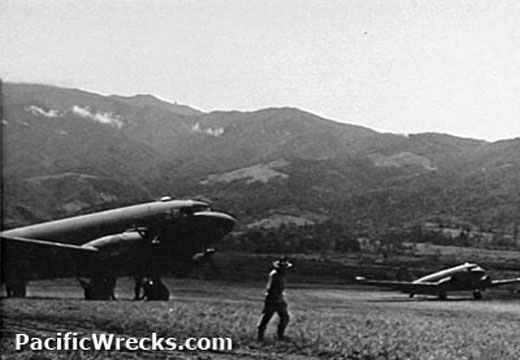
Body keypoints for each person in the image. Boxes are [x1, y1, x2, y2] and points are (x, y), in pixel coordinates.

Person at [257, 257, 293, 342]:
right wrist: (278, 299)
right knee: (266, 318)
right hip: (273, 299)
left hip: (277, 298)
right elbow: (271, 289)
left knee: (284, 317)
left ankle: (280, 335)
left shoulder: (279, 275)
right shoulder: (276, 275)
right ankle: (260, 336)